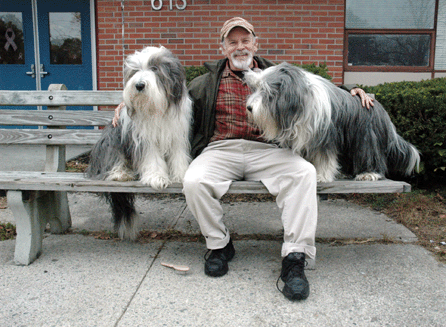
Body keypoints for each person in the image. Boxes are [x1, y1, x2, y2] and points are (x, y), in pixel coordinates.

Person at [113, 17, 373, 301]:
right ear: (223, 47)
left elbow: (316, 90)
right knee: (194, 180)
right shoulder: (206, 82)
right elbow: (166, 94)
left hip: (269, 150)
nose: (240, 47)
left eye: (245, 41)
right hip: (221, 150)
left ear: (255, 44)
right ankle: (219, 245)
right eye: (232, 42)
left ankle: (295, 258)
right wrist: (128, 104)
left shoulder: (278, 75)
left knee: (305, 174)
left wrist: (351, 92)